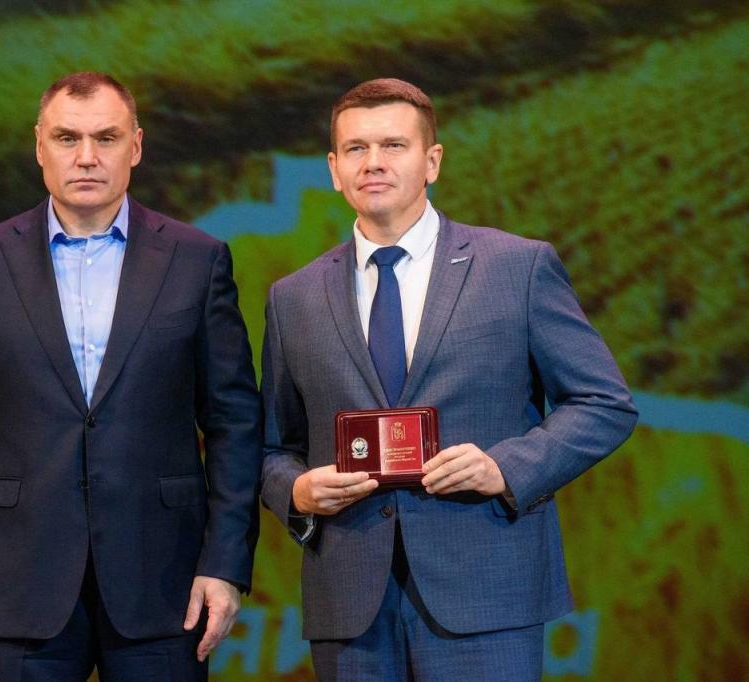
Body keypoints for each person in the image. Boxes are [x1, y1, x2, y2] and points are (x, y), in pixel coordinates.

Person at [259, 78, 638, 681]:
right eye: (356, 149)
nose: (373, 162)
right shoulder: (294, 297)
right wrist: (297, 491)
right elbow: (271, 446)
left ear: (432, 161)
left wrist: (505, 468)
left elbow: (604, 403)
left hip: (487, 594)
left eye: (394, 145)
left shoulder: (516, 267)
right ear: (333, 170)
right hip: (350, 605)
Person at [0, 71, 262, 681]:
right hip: (16, 579)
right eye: (66, 137)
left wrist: (226, 562)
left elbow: (234, 421)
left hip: (166, 580)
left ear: (136, 146)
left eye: (105, 137)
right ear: (39, 146)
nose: (86, 156)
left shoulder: (197, 259)